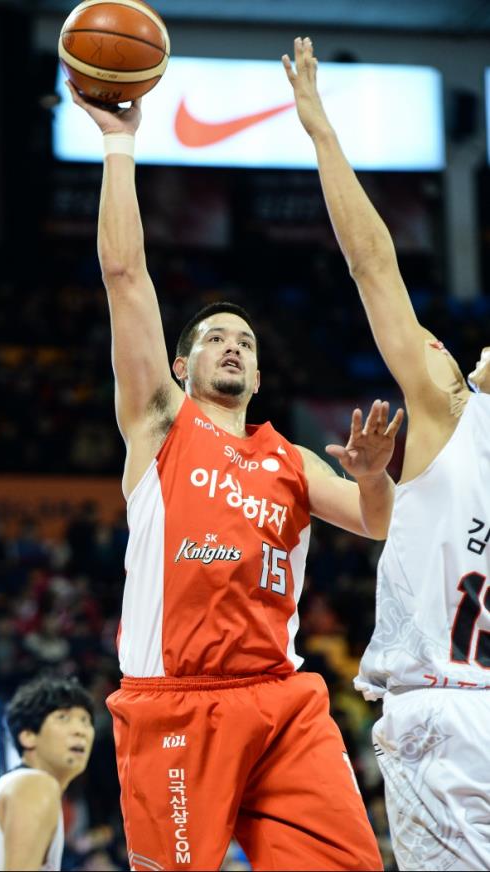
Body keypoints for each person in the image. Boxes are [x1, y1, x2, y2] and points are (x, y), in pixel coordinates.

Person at [65, 77, 405, 872]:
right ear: (180, 366)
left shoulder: (292, 458)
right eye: (215, 338)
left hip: (281, 699)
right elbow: (124, 275)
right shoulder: (159, 425)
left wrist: (372, 475)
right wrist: (119, 143)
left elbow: (378, 520)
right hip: (176, 702)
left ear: (257, 373)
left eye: (245, 342)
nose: (232, 346)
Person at [284, 35, 490, 872]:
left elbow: (373, 266)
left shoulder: (449, 407)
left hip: (445, 712)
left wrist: (320, 129)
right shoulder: (453, 412)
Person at [0, 675, 95, 871]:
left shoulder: (14, 784)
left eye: (85, 721)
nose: (80, 730)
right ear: (28, 736)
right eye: (63, 718)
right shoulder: (36, 785)